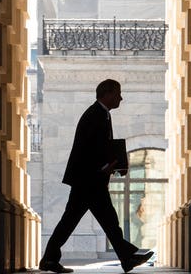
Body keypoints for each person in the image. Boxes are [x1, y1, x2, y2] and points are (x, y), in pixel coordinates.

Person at [39, 79, 153, 273]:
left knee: (88, 220)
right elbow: (89, 148)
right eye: (118, 94)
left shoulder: (101, 114)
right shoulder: (95, 115)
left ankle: (126, 258)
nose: (121, 98)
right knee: (100, 220)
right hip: (89, 180)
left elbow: (99, 147)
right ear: (106, 94)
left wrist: (112, 165)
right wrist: (105, 166)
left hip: (89, 179)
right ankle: (126, 257)